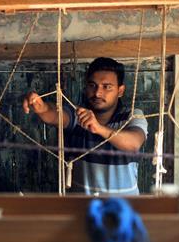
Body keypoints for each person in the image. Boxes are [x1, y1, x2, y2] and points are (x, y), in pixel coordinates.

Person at [22, 57, 148, 195]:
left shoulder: (133, 116)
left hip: (124, 210)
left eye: (107, 87)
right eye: (92, 85)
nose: (98, 93)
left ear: (120, 91)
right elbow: (54, 114)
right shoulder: (77, 115)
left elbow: (133, 143)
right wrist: (42, 107)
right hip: (82, 210)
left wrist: (98, 128)